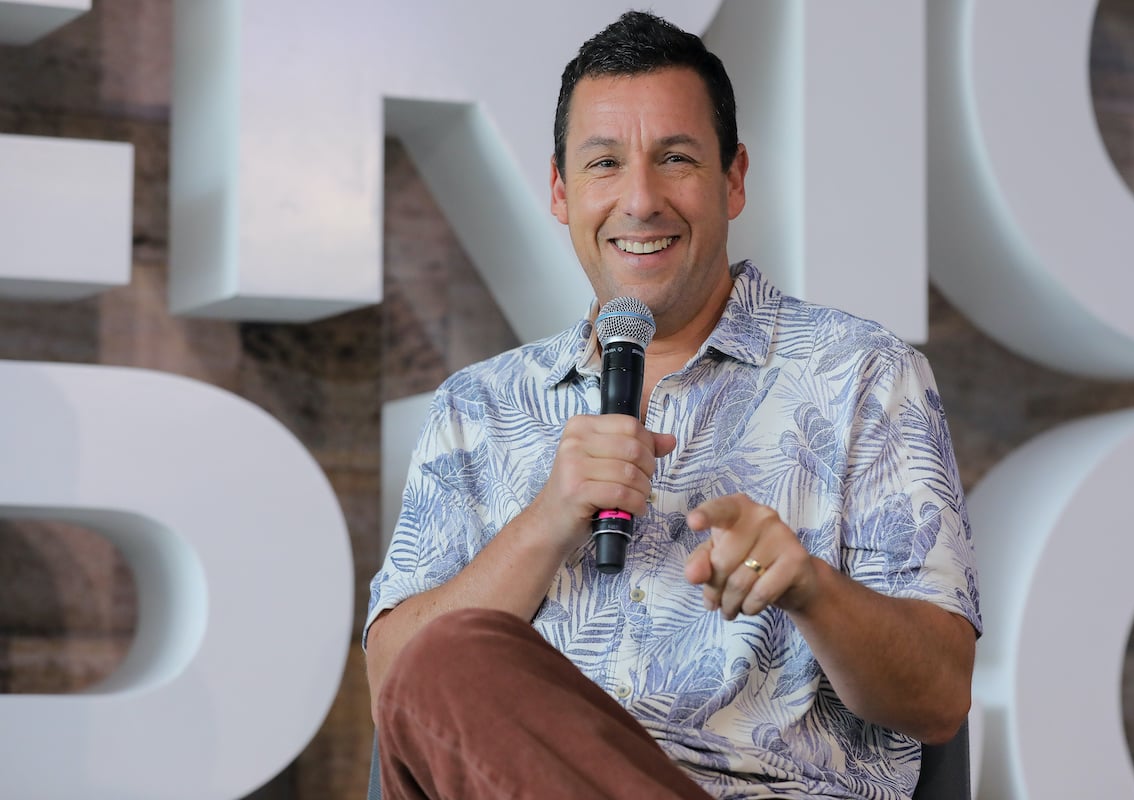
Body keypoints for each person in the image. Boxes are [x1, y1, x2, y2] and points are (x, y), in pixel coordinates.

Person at [365, 10, 981, 799]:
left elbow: (937, 698)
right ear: (560, 190)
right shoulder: (479, 407)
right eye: (604, 164)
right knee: (448, 661)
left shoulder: (861, 375)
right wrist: (548, 519)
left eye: (676, 159)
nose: (641, 200)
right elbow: (398, 691)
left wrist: (808, 589)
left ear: (733, 179)